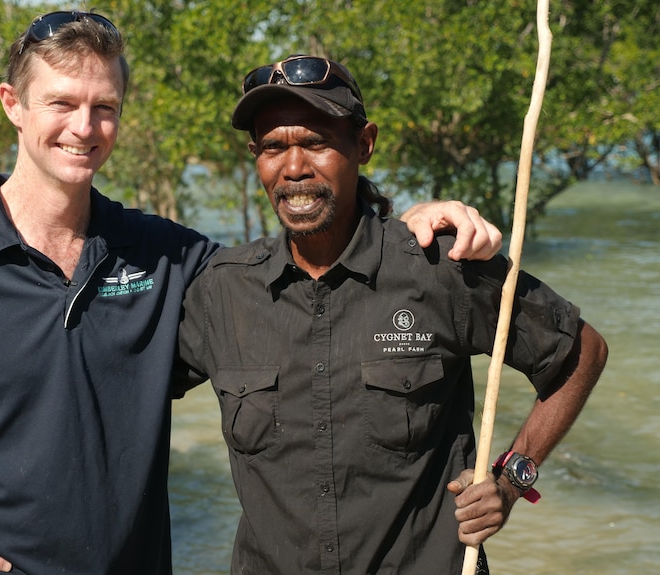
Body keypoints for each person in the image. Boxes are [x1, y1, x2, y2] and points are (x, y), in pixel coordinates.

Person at [0, 12, 499, 575]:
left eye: (104, 107)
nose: (83, 127)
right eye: (61, 103)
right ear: (13, 106)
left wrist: (396, 221)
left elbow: (302, 275)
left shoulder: (167, 256)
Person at [173, 55, 608, 574]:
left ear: (364, 144)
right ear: (255, 156)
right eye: (273, 147)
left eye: (315, 142)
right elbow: (124, 390)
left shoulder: (441, 268)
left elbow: (581, 352)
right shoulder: (222, 292)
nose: (293, 167)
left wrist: (511, 479)